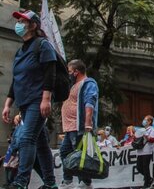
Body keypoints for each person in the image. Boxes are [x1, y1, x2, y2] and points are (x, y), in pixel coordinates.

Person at [2, 10, 58, 189]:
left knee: (27, 139)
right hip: (25, 103)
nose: (18, 23)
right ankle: (50, 184)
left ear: (33, 26)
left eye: (23, 21)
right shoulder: (20, 51)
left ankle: (21, 181)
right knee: (41, 144)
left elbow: (50, 72)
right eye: (18, 20)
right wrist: (8, 103)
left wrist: (46, 99)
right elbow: (16, 79)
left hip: (37, 100)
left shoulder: (43, 45)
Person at [59, 59, 99, 189]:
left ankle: (86, 182)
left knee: (82, 155)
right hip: (70, 127)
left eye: (69, 71)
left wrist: (88, 123)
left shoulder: (88, 83)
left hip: (79, 127)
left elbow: (89, 103)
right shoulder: (73, 85)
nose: (68, 73)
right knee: (65, 152)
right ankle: (68, 181)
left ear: (76, 72)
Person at [136, 115, 154, 189]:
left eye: (146, 120)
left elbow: (153, 140)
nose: (144, 121)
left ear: (149, 122)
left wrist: (146, 135)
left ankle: (146, 183)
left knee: (145, 167)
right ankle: (149, 179)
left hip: (147, 151)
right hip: (140, 151)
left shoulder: (151, 130)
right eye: (144, 120)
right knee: (138, 167)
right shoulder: (142, 129)